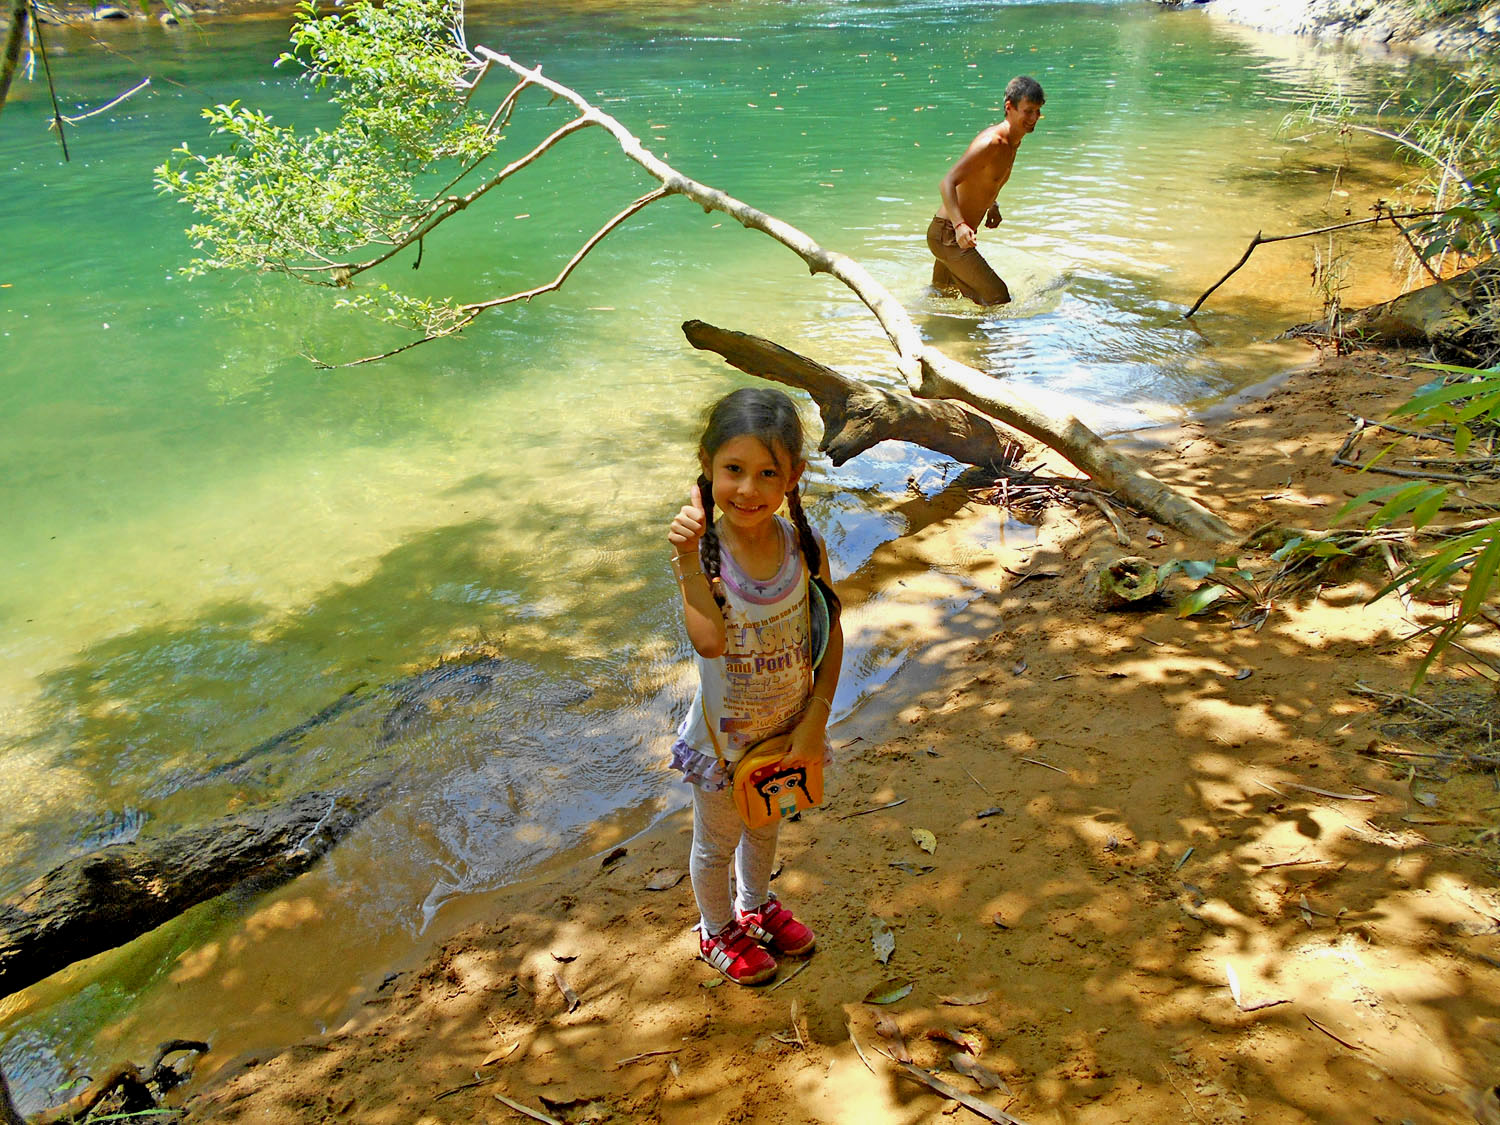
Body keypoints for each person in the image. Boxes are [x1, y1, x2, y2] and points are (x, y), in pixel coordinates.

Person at [666, 387, 844, 985]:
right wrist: (687, 562)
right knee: (717, 841)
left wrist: (815, 719)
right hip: (726, 742)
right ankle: (714, 930)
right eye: (733, 470)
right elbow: (710, 643)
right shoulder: (711, 560)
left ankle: (754, 905)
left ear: (793, 475)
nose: (748, 489)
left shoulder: (803, 546)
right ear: (707, 466)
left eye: (767, 473)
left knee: (764, 824)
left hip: (787, 731)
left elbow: (829, 632)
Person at [928, 75, 1046, 306]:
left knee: (942, 296)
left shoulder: (1013, 143)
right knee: (998, 297)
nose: (1034, 118)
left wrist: (992, 205)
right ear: (1009, 107)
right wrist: (960, 226)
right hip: (948, 235)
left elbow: (981, 180)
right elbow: (947, 182)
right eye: (1028, 111)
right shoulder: (992, 143)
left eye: (1037, 112)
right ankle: (992, 343)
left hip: (951, 236)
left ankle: (940, 338)